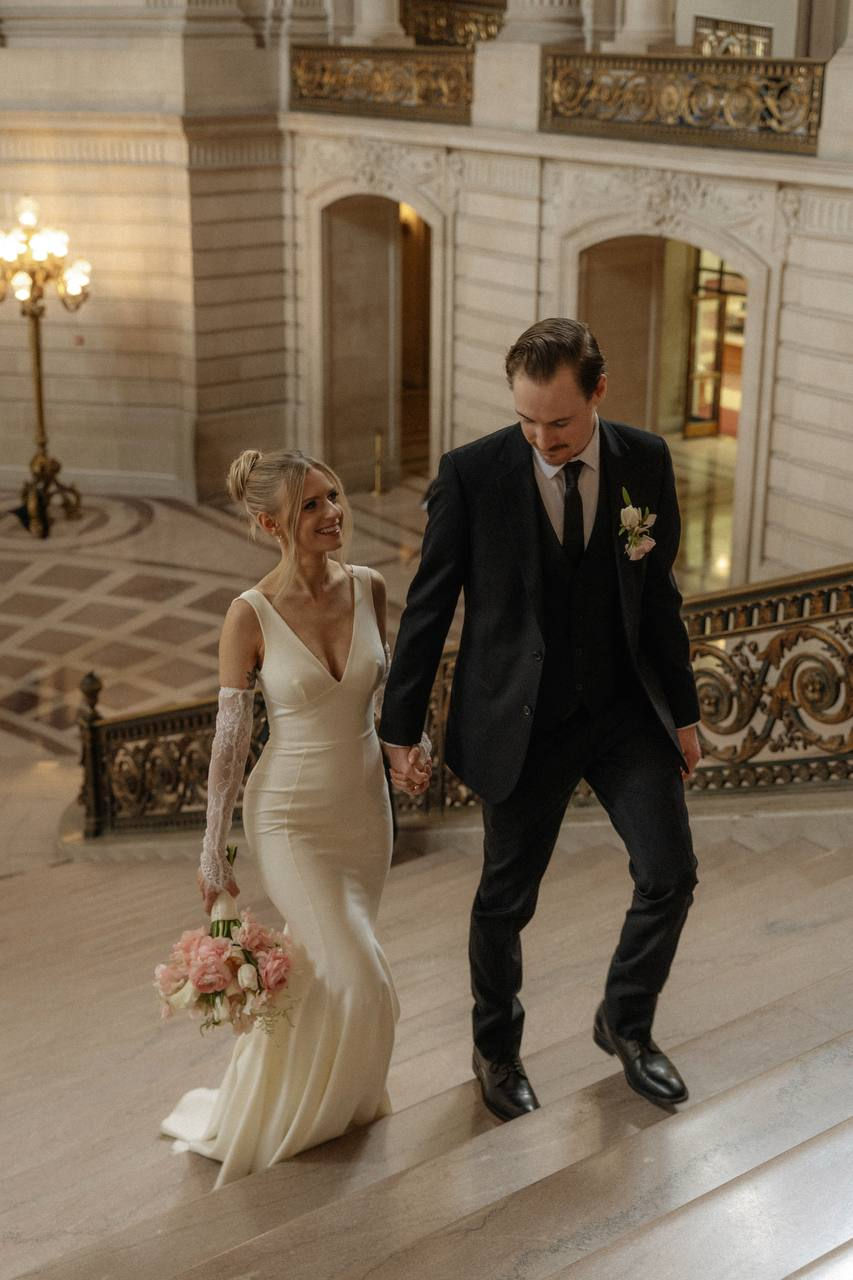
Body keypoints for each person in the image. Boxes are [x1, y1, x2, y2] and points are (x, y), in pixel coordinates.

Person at [380, 318, 701, 1122]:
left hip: (624, 710)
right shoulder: (473, 475)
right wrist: (399, 728)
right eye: (527, 421)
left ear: (597, 391)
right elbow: (427, 610)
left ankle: (624, 1022)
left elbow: (657, 595)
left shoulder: (646, 460)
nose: (542, 438)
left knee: (670, 875)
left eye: (557, 422)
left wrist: (685, 713)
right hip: (520, 721)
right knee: (503, 902)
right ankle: (496, 1048)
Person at [161, 449, 425, 1186]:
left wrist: (411, 750)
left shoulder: (370, 588)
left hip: (364, 813)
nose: (334, 512)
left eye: (334, 495)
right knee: (361, 972)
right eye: (312, 505)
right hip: (288, 818)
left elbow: (387, 695)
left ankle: (320, 1106)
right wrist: (214, 855)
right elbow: (230, 743)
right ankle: (295, 1115)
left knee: (320, 969)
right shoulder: (248, 615)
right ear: (268, 522)